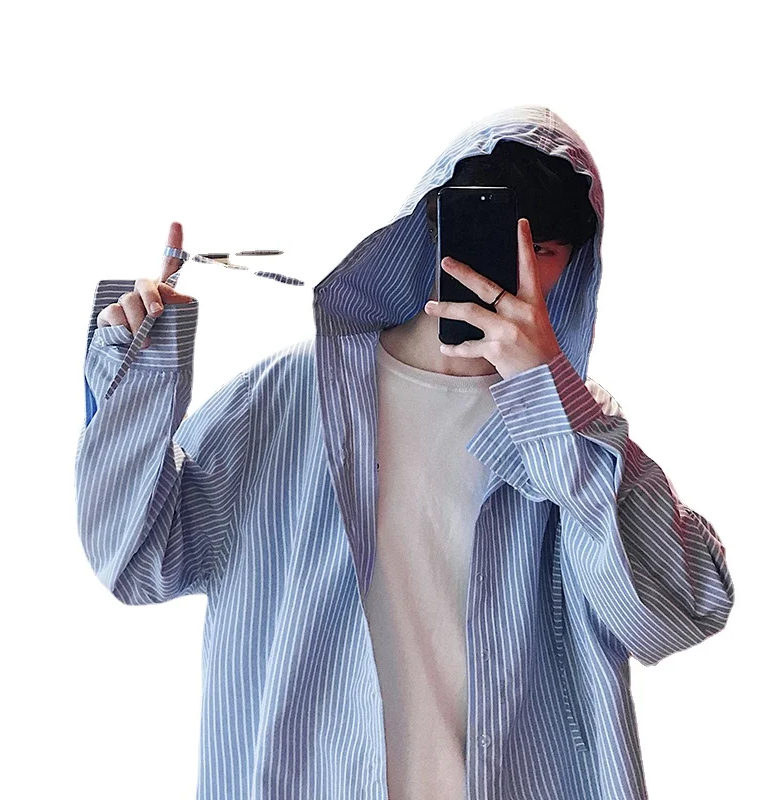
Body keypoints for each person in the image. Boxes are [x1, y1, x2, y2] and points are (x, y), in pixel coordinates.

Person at [75, 104, 734, 800]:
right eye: (498, 235)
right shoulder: (288, 395)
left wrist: (555, 407)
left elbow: (678, 611)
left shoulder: (583, 426)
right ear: (434, 226)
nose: (519, 272)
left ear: (576, 262)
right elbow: (134, 560)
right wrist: (138, 374)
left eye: (545, 249)